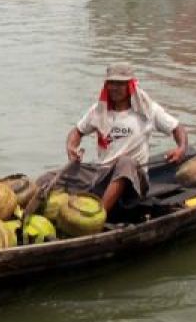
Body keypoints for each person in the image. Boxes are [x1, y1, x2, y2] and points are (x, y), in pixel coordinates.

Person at [56, 62, 188, 216]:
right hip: (103, 173)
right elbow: (77, 132)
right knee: (53, 177)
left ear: (130, 85)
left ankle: (98, 217)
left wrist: (181, 149)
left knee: (126, 162)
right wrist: (71, 148)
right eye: (111, 83)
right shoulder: (99, 111)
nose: (114, 88)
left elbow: (177, 128)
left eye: (119, 83)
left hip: (134, 181)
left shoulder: (147, 109)